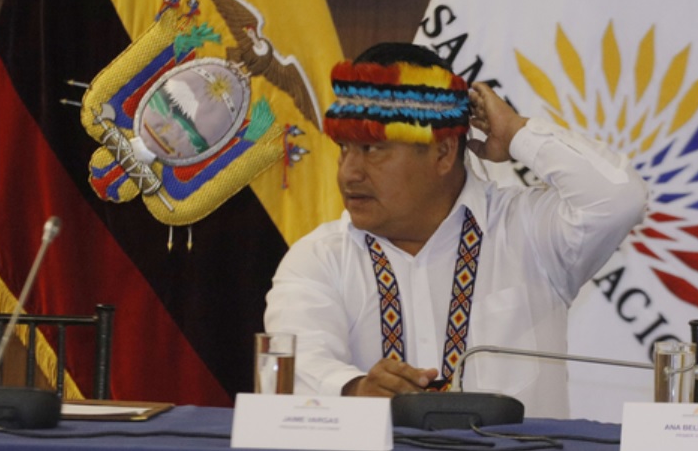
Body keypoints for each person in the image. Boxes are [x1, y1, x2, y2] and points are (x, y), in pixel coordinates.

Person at [264, 42, 648, 418]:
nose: (349, 173)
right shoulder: (321, 258)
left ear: (444, 152)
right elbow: (288, 368)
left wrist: (517, 133)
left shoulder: (528, 231)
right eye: (344, 148)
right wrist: (355, 390)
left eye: (373, 149)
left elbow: (620, 197)